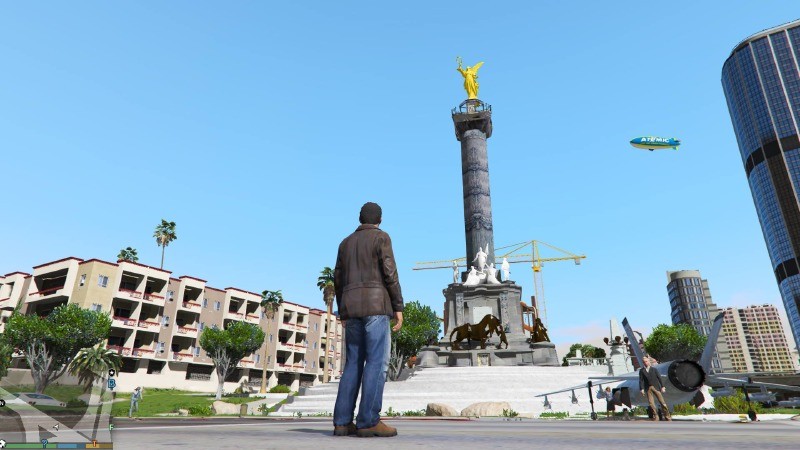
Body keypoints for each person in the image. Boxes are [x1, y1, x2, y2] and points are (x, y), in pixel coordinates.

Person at [332, 202, 404, 438]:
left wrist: (342, 310)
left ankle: (342, 422)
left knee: (352, 363)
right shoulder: (381, 238)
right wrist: (398, 306)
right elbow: (389, 271)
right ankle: (369, 421)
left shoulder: (345, 243)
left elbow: (338, 279)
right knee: (376, 362)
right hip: (376, 306)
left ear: (359, 219)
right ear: (380, 220)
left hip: (351, 308)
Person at [639, 357, 671, 421]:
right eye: (644, 362)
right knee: (651, 403)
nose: (646, 363)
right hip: (648, 388)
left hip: (656, 387)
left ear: (649, 362)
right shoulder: (642, 371)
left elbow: (659, 378)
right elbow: (641, 380)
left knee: (662, 402)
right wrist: (641, 389)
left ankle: (667, 416)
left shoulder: (654, 369)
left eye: (647, 361)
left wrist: (662, 386)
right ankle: (656, 417)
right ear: (643, 363)